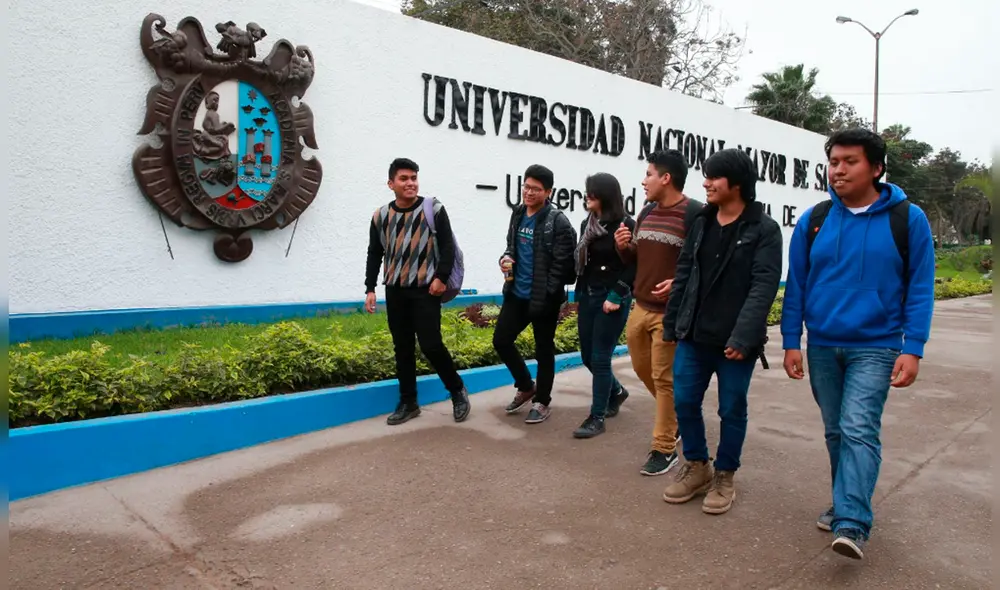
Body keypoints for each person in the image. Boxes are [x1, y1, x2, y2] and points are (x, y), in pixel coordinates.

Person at [780, 128, 936, 560]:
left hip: (878, 345)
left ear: (877, 168)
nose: (839, 169)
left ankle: (852, 522)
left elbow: (920, 287)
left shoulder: (908, 219)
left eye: (850, 161)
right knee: (836, 432)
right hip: (824, 345)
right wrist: (792, 340)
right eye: (834, 162)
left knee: (857, 428)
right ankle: (844, 501)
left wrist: (913, 346)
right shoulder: (815, 220)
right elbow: (798, 285)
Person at [660, 148, 783, 515]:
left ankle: (725, 473)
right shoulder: (702, 221)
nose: (706, 183)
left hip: (735, 344)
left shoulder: (763, 229)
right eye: (706, 175)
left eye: (713, 177)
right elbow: (685, 272)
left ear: (737, 183)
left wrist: (744, 337)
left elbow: (763, 287)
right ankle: (697, 466)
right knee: (683, 401)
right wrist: (672, 323)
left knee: (731, 408)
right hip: (694, 336)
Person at [614, 150, 703, 475]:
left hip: (671, 312)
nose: (643, 179)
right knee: (641, 369)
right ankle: (678, 417)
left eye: (649, 173)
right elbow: (637, 258)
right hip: (640, 307)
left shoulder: (695, 214)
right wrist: (624, 246)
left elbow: (704, 263)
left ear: (666, 178)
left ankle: (664, 447)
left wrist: (679, 282)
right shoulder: (647, 211)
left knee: (664, 379)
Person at [364, 158, 471, 426]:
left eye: (413, 178)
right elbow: (375, 253)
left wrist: (441, 278)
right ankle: (409, 402)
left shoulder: (432, 208)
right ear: (391, 184)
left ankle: (457, 391)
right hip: (396, 290)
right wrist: (370, 287)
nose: (410, 183)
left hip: (426, 289)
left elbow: (447, 246)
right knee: (402, 348)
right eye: (404, 179)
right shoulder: (380, 216)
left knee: (431, 345)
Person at [495, 164, 578, 424]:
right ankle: (525, 385)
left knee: (543, 350)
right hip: (516, 293)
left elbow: (562, 266)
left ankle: (542, 401)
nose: (529, 192)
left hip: (544, 298)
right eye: (526, 186)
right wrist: (506, 258)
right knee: (501, 340)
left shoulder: (558, 222)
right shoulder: (518, 213)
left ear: (549, 192)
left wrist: (548, 292)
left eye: (536, 189)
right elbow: (511, 246)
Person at [571, 173, 636, 438]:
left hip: (612, 298)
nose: (587, 197)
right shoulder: (588, 223)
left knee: (599, 358)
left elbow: (634, 264)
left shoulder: (626, 224)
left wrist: (617, 294)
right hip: (588, 294)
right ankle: (617, 391)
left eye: (593, 193)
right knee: (587, 356)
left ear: (606, 196)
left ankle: (597, 416)